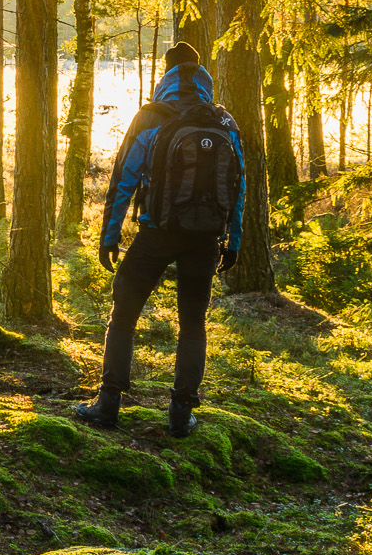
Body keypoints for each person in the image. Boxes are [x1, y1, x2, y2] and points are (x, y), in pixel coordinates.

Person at [69, 41, 244, 437]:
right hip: (206, 238)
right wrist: (233, 242)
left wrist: (109, 237)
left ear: (166, 74)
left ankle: (108, 403)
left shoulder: (151, 116)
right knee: (193, 325)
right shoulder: (224, 121)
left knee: (123, 316)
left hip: (156, 235)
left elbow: (123, 180)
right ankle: (181, 414)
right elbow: (239, 186)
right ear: (203, 75)